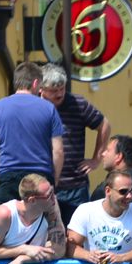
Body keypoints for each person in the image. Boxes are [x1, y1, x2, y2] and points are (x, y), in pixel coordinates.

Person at [0, 62, 64, 205]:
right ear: (35, 83)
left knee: (7, 219)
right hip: (40, 178)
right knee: (40, 219)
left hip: (8, 177)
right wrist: (53, 180)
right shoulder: (49, 109)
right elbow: (58, 151)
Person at [38, 63, 111, 225]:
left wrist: (96, 159)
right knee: (44, 233)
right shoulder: (34, 106)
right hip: (43, 184)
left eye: (62, 88)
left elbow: (104, 125)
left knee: (77, 232)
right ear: (41, 89)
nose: (59, 94)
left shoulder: (77, 104)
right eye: (54, 90)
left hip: (75, 186)